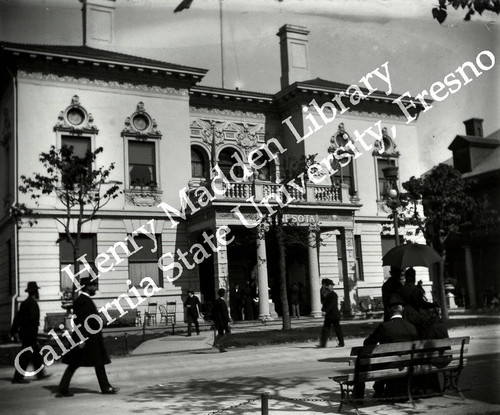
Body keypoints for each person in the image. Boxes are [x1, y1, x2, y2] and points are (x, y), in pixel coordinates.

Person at [57, 277, 119, 397]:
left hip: (91, 338)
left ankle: (105, 387)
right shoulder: (83, 301)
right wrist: (81, 339)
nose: (95, 287)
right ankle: (63, 389)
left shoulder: (84, 300)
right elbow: (81, 322)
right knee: (76, 363)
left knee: (98, 362)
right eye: (94, 285)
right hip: (87, 339)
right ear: (87, 287)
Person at [357, 293, 418, 400]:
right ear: (402, 309)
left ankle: (358, 397)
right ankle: (379, 388)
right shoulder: (411, 327)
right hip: (408, 363)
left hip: (388, 364)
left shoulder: (385, 327)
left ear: (389, 310)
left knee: (360, 361)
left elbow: (368, 343)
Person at [10, 281, 51, 384]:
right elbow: (32, 321)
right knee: (25, 356)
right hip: (30, 334)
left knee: (35, 354)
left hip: (25, 333)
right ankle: (17, 377)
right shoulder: (33, 304)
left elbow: (17, 318)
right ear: (35, 292)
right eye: (37, 291)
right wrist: (34, 335)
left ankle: (40, 374)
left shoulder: (24, 303)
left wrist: (14, 331)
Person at [319, 279, 345, 348]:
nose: (332, 286)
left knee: (337, 330)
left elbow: (332, 305)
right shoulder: (326, 294)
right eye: (331, 285)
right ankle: (323, 344)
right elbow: (325, 303)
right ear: (327, 286)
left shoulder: (334, 294)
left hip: (334, 315)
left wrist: (325, 311)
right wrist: (323, 309)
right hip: (328, 316)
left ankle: (341, 343)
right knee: (325, 329)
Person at [212, 288, 231, 353]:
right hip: (223, 321)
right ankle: (219, 343)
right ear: (224, 294)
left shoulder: (216, 301)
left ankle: (221, 348)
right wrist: (228, 321)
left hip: (218, 321)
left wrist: (214, 320)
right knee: (228, 332)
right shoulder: (222, 302)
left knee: (220, 334)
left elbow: (213, 312)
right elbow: (224, 313)